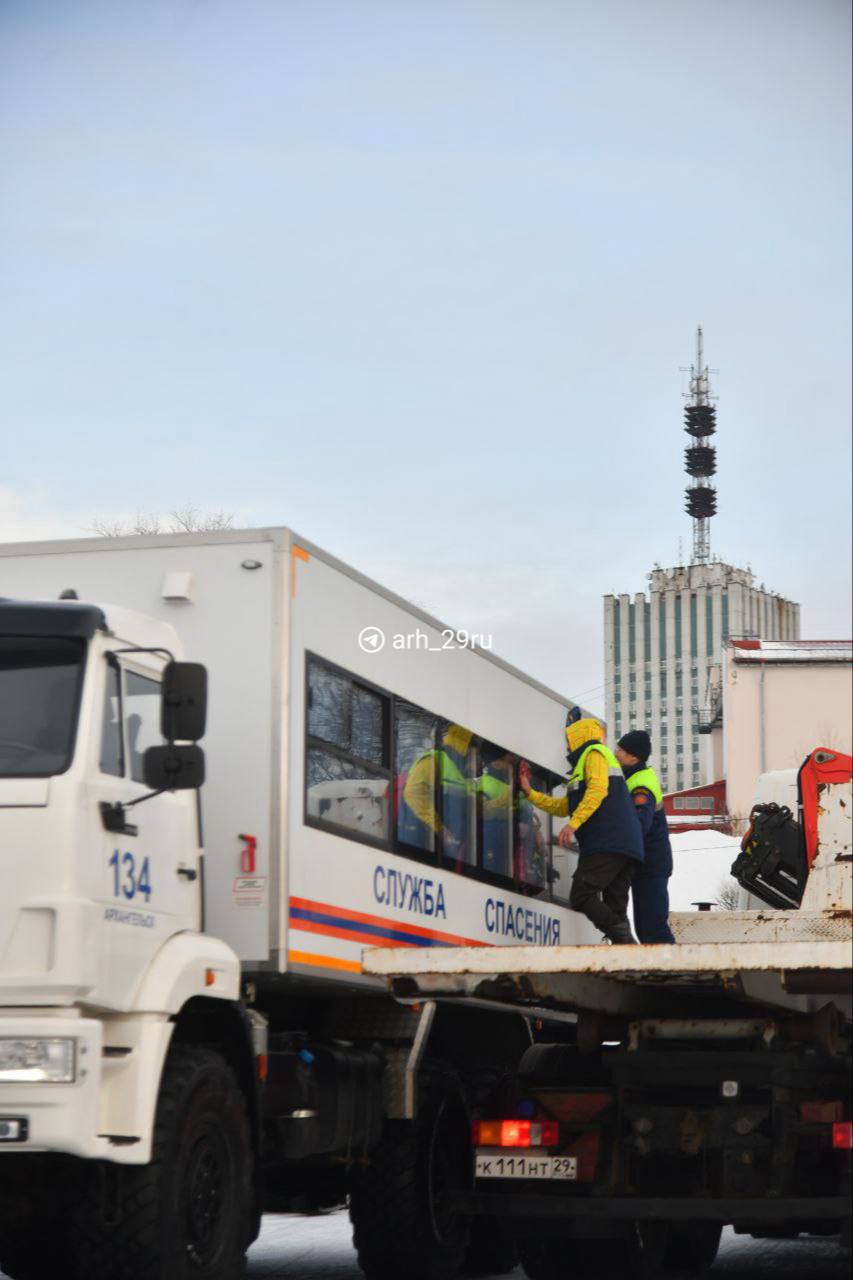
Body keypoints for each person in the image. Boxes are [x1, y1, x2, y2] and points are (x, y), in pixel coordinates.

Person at [519, 708, 644, 943]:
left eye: (568, 740)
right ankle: (632, 958)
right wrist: (530, 793)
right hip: (624, 845)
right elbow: (564, 806)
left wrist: (572, 826)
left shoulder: (594, 754)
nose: (566, 746)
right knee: (615, 909)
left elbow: (597, 791)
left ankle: (626, 944)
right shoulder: (582, 767)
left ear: (577, 738)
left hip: (609, 843)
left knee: (581, 894)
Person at [615, 730, 676, 944]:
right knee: (645, 930)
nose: (616, 753)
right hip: (646, 866)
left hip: (652, 866)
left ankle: (675, 971)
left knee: (654, 929)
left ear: (633, 757)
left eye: (621, 750)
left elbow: (640, 825)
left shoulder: (641, 784)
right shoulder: (634, 779)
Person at [398, 723, 474, 864]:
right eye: (473, 749)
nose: (476, 757)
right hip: (424, 840)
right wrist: (440, 829)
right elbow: (413, 793)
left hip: (444, 846)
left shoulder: (460, 772)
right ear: (463, 747)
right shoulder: (433, 760)